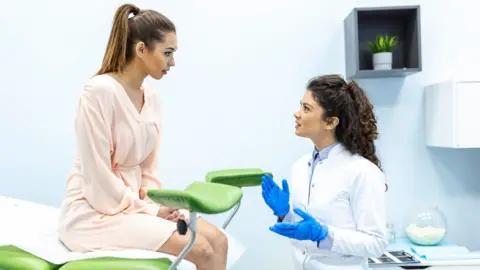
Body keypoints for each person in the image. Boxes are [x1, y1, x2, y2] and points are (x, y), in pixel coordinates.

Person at [57, 4, 228, 270]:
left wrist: (157, 204)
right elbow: (97, 178)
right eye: (167, 53)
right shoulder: (98, 92)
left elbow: (149, 169)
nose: (173, 62)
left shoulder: (153, 99)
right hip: (95, 212)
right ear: (140, 50)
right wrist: (150, 211)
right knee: (201, 249)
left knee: (218, 241)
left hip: (137, 204)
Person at [261, 74, 388, 269]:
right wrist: (284, 214)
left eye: (306, 108)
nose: (297, 114)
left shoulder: (362, 172)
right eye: (300, 106)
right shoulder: (300, 167)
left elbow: (376, 243)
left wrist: (324, 235)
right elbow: (304, 230)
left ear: (330, 122)